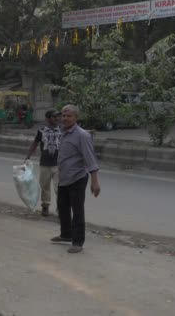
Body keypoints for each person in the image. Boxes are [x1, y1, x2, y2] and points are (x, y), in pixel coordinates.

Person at [51, 105, 101, 254]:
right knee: (62, 207)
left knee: (77, 210)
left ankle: (78, 242)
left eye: (69, 116)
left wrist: (95, 181)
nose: (65, 118)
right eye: (63, 115)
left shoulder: (82, 135)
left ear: (76, 118)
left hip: (77, 178)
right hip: (64, 177)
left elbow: (90, 158)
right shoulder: (62, 132)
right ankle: (66, 234)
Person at [25, 109, 62, 217]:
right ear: (47, 119)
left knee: (59, 188)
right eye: (54, 117)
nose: (57, 119)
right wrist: (27, 157)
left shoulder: (62, 130)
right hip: (45, 164)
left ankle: (61, 209)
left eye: (58, 117)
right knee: (45, 187)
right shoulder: (41, 131)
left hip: (58, 164)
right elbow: (35, 143)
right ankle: (45, 206)